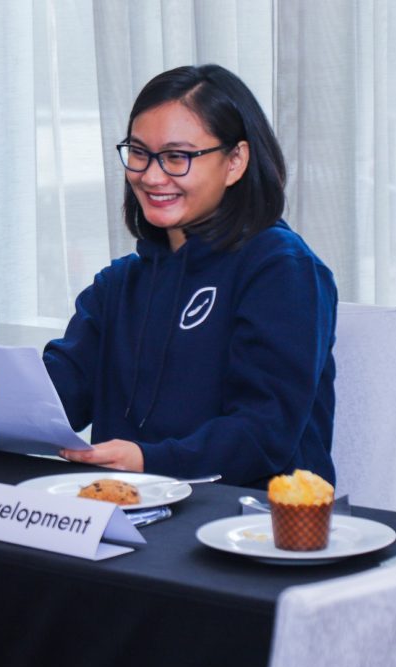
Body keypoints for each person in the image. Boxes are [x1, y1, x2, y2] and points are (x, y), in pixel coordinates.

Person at [43, 64, 337, 489]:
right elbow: (59, 396)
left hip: (245, 525)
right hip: (122, 516)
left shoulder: (281, 267)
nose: (151, 176)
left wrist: (148, 461)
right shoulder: (118, 284)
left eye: (177, 157)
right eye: (140, 153)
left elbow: (263, 432)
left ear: (235, 161)